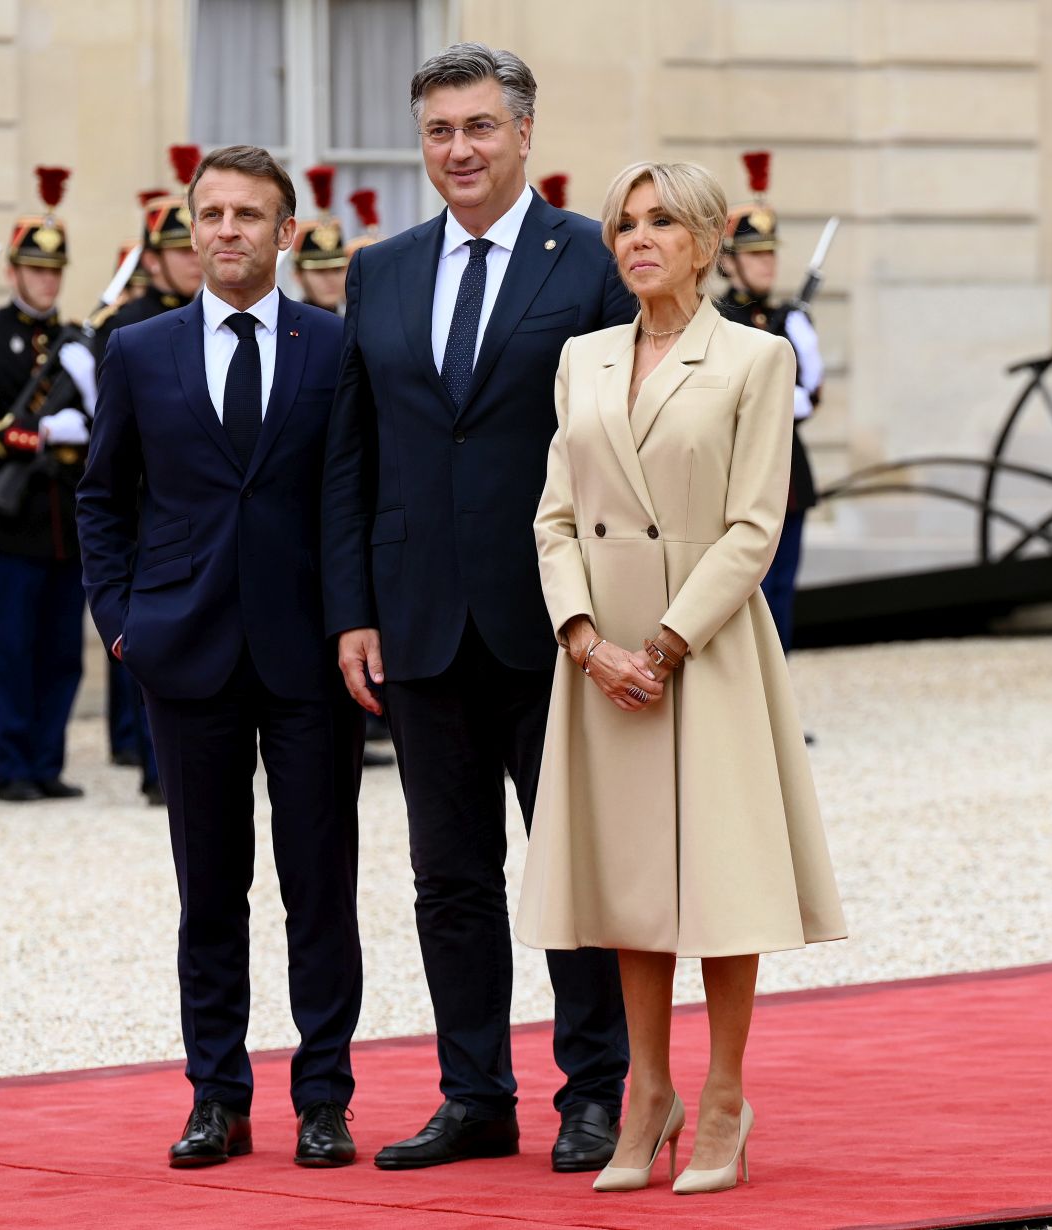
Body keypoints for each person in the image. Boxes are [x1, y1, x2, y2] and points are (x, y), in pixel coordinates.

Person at [321, 42, 634, 1173]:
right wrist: (352, 607)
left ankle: (595, 1093)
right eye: (440, 131)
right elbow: (352, 450)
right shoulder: (382, 268)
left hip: (557, 619)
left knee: (574, 868)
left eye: (479, 128)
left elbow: (622, 448)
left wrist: (613, 613)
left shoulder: (593, 262)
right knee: (447, 875)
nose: (458, 149)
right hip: (415, 620)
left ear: (523, 133)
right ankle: (475, 1096)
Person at [515, 161, 847, 1195]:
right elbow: (555, 515)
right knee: (632, 884)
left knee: (720, 876)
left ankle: (724, 1095)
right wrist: (582, 638)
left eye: (662, 221)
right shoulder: (581, 356)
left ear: (706, 242)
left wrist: (661, 643)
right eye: (623, 224)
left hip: (699, 650)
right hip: (600, 653)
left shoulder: (754, 360)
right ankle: (646, 1090)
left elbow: (755, 524)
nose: (636, 238)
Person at [77, 144, 365, 1171]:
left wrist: (356, 623)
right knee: (210, 890)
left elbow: (356, 499)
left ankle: (323, 1097)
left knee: (318, 887)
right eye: (213, 214)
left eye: (251, 215)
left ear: (286, 234)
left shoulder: (335, 347)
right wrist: (123, 625)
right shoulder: (139, 352)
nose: (230, 230)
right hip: (183, 657)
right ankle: (216, 1096)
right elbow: (102, 499)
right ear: (190, 229)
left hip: (306, 663)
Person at [0, 167, 89, 803]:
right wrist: (41, 433)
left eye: (54, 271)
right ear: (13, 272)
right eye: (34, 269)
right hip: (15, 515)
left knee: (63, 651)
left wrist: (83, 407)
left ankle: (48, 761)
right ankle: (12, 767)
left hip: (69, 517)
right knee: (15, 651)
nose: (45, 280)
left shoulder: (78, 339)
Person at [93, 149, 206, 806]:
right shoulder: (129, 327)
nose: (190, 261)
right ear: (153, 258)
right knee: (149, 637)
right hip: (148, 508)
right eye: (177, 251)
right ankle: (149, 758)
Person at [716, 151, 822, 655]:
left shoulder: (787, 319)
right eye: (757, 255)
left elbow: (812, 396)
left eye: (772, 254)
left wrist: (803, 350)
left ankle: (779, 716)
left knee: (781, 594)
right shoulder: (714, 319)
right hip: (734, 476)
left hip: (789, 480)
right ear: (729, 260)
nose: (769, 264)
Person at [291, 166, 349, 314]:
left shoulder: (356, 326)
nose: (330, 280)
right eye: (319, 272)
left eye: (337, 270)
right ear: (298, 276)